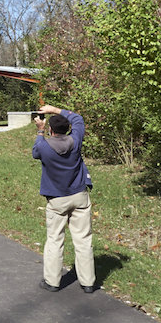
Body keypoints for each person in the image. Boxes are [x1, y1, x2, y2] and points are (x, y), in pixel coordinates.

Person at [32, 104, 96, 293]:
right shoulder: (75, 140)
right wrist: (55, 109)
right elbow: (78, 118)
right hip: (79, 196)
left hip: (57, 199)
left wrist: (40, 131)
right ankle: (88, 283)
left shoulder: (44, 147)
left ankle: (52, 282)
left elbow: (35, 151)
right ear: (68, 129)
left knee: (55, 239)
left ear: (51, 130)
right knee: (83, 239)